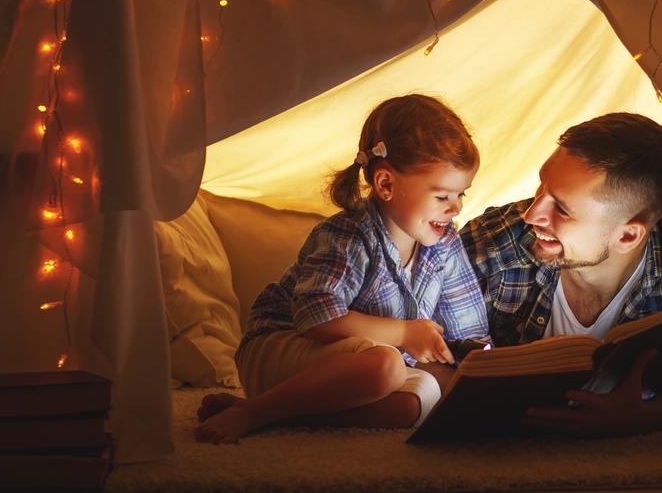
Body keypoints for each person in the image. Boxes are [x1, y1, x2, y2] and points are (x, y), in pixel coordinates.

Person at [196, 94, 489, 443]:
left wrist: (468, 361)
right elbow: (316, 320)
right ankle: (253, 411)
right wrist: (404, 334)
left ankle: (278, 416)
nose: (454, 208)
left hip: (360, 376)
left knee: (427, 392)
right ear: (386, 185)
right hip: (285, 352)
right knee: (385, 364)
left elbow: (469, 334)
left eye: (461, 196)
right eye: (442, 197)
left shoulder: (445, 245)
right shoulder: (349, 235)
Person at [460, 112, 662, 436]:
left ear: (627, 236)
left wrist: (640, 418)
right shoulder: (493, 244)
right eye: (541, 187)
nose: (532, 214)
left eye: (561, 209)